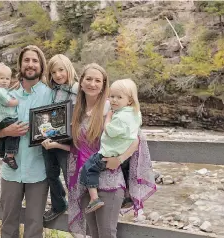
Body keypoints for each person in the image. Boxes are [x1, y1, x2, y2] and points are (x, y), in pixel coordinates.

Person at [42, 64, 156, 237]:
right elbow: (79, 148)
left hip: (109, 181)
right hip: (86, 182)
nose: (92, 84)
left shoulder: (113, 108)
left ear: (104, 85)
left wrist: (120, 159)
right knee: (93, 233)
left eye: (98, 81)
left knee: (107, 233)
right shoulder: (77, 112)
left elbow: (137, 139)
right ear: (80, 83)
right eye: (88, 79)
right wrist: (57, 145)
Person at [0, 45, 53, 238]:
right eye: (26, 60)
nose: (30, 64)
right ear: (20, 64)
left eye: (35, 60)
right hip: (12, 170)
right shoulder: (8, 94)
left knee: (34, 225)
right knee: (8, 223)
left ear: (41, 66)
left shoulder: (50, 94)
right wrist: (6, 131)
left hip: (39, 169)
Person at [80, 79, 142, 213]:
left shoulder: (119, 117)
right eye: (112, 96)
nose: (114, 100)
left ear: (130, 100)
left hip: (109, 153)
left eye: (119, 97)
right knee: (126, 172)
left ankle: (94, 198)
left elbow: (110, 131)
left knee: (88, 168)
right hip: (123, 152)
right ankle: (129, 195)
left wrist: (108, 119)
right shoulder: (134, 113)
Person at [42, 54, 79, 222]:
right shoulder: (51, 91)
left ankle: (78, 208)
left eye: (61, 70)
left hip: (67, 140)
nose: (58, 75)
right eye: (54, 72)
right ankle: (58, 204)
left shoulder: (78, 89)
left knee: (69, 174)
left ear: (69, 69)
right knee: (51, 173)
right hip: (50, 137)